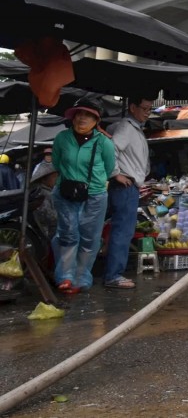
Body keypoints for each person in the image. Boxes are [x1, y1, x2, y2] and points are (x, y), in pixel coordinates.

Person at [51, 97, 116, 294]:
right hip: (66, 191)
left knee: (89, 238)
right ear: (73, 117)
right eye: (79, 114)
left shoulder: (104, 142)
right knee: (68, 234)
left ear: (96, 121)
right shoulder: (62, 138)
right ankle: (65, 277)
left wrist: (93, 182)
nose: (82, 118)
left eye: (88, 115)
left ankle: (81, 278)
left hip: (95, 194)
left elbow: (109, 167)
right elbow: (56, 162)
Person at [103, 94, 154, 290]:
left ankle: (113, 273)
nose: (147, 113)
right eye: (145, 109)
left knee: (121, 230)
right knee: (122, 231)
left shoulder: (132, 128)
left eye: (150, 109)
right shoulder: (127, 127)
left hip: (130, 186)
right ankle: (114, 275)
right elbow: (111, 149)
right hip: (124, 186)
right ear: (133, 107)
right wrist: (116, 174)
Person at [29, 161, 59, 242]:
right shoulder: (43, 193)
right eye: (54, 177)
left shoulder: (48, 192)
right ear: (44, 179)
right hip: (46, 233)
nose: (56, 179)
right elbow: (50, 217)